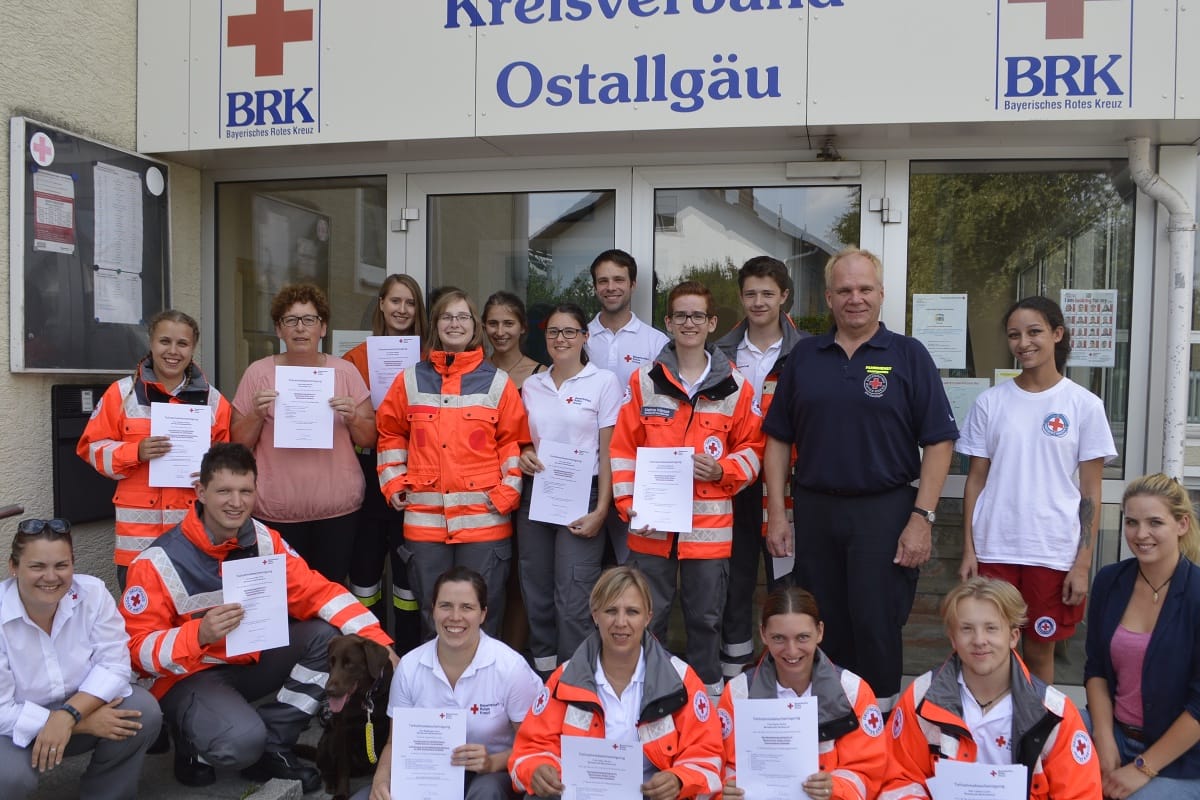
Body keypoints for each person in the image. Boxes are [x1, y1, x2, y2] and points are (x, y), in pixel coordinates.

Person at [120, 442, 393, 792]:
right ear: (200, 492)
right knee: (240, 744)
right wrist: (198, 634)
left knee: (327, 638)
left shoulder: (265, 539)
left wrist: (379, 642)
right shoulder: (156, 562)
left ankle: (275, 741)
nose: (236, 502)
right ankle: (191, 739)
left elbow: (318, 592)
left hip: (248, 662)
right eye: (224, 491)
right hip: (190, 676)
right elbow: (137, 651)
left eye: (245, 491)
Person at [762, 247, 957, 711]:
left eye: (865, 289)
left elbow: (939, 442)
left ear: (881, 294)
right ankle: (827, 721)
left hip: (884, 512)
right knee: (818, 621)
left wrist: (922, 517)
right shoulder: (804, 356)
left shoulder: (909, 355)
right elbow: (778, 440)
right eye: (845, 290)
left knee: (877, 623)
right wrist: (777, 514)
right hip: (816, 510)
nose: (856, 298)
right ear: (828, 297)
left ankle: (880, 727)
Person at [610, 280, 765, 698]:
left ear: (712, 323)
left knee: (705, 621)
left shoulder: (736, 386)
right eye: (681, 315)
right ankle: (648, 696)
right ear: (668, 322)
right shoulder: (644, 381)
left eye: (698, 315)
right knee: (647, 617)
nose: (689, 323)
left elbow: (754, 450)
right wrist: (628, 504)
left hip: (708, 531)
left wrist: (722, 469)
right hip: (651, 526)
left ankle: (705, 702)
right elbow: (622, 450)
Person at [958, 296, 1116, 684]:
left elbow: (1091, 492)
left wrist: (1082, 564)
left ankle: (1036, 723)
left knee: (1039, 650)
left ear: (1057, 334)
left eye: (1034, 332)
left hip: (1051, 550)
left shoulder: (1084, 405)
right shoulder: (991, 402)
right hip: (995, 547)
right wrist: (969, 549)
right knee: (989, 650)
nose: (1023, 343)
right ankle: (992, 721)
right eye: (1014, 335)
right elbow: (975, 480)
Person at [376, 289, 530, 639]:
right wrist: (394, 482)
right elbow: (390, 433)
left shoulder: (497, 383)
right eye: (447, 317)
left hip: (484, 521)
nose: (454, 324)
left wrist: (507, 493)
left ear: (475, 326)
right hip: (426, 523)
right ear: (435, 324)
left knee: (483, 616)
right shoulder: (409, 380)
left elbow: (512, 442)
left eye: (462, 317)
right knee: (435, 617)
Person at [509, 565, 724, 800]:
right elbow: (530, 748)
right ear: (595, 615)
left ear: (648, 617)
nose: (621, 622)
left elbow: (707, 755)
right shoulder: (565, 678)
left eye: (632, 612)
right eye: (611, 611)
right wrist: (538, 769)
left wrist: (679, 780)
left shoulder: (680, 680)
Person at [883, 577, 1101, 800]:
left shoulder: (1054, 712)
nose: (979, 640)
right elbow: (898, 779)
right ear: (953, 639)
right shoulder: (921, 698)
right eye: (967, 629)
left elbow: (1081, 793)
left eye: (991, 628)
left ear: (1013, 636)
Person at [0, 518, 162, 800]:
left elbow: (115, 666)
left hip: (77, 707)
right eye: (37, 566)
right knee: (9, 775)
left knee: (142, 711)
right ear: (13, 567)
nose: (51, 577)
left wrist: (68, 715)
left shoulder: (93, 593)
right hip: (12, 726)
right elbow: (2, 711)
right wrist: (78, 724)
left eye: (61, 565)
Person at [230, 283, 376, 583]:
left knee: (328, 594)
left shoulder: (344, 372)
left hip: (337, 514)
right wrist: (256, 414)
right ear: (278, 329)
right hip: (275, 513)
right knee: (283, 598)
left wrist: (352, 418)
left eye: (309, 319)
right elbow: (238, 444)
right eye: (290, 320)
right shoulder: (259, 373)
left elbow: (370, 438)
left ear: (323, 328)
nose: (300, 328)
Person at [355, 567, 542, 800]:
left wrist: (493, 761)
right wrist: (381, 779)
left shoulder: (511, 668)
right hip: (425, 774)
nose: (455, 616)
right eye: (445, 606)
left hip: (490, 774)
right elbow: (396, 743)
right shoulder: (410, 666)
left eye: (467, 607)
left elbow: (536, 746)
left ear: (483, 614)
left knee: (486, 792)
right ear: (432, 610)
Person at [77, 309, 231, 587]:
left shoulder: (214, 401)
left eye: (182, 343)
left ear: (193, 347)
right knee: (140, 613)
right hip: (138, 541)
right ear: (151, 343)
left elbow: (227, 463)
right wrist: (135, 452)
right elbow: (90, 449)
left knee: (195, 613)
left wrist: (212, 473)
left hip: (194, 537)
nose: (173, 351)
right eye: (165, 341)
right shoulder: (121, 394)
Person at [713, 255, 808, 681]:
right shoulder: (720, 352)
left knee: (785, 580)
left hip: (785, 485)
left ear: (784, 296)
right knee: (734, 580)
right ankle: (734, 674)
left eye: (768, 293)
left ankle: (784, 673)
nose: (758, 302)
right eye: (750, 293)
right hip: (733, 482)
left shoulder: (807, 352)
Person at [516, 302, 622, 676]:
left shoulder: (603, 382)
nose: (560, 339)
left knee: (574, 595)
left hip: (584, 496)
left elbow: (610, 452)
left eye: (569, 332)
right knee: (537, 591)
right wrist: (524, 453)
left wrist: (602, 510)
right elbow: (520, 439)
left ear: (584, 337)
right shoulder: (532, 385)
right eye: (553, 332)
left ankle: (575, 680)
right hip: (537, 494)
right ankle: (545, 676)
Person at [1084, 473, 1200, 799]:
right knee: (1046, 741)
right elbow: (1096, 669)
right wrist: (1104, 738)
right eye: (1132, 522)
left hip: (1182, 758)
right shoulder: (1110, 580)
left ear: (1182, 524)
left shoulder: (1196, 593)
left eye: (1155, 523)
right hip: (1116, 733)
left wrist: (1142, 768)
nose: (1140, 534)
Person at [719, 587, 887, 800]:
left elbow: (870, 772)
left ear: (820, 632)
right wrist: (728, 791)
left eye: (802, 637)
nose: (791, 650)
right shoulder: (738, 693)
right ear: (763, 634)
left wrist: (835, 788)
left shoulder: (853, 692)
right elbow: (720, 766)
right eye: (779, 638)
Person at [343, 274, 427, 652]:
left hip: (415, 472)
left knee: (409, 578)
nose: (402, 310)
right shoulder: (355, 359)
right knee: (364, 574)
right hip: (366, 471)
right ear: (381, 304)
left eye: (409, 303)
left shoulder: (429, 359)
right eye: (395, 301)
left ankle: (408, 656)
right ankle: (370, 657)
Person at [584, 249, 670, 565]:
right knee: (585, 561)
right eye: (603, 281)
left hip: (635, 465)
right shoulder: (580, 338)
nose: (611, 287)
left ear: (633, 284)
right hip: (587, 465)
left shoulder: (656, 342)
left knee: (633, 561)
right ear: (595, 286)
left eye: (619, 279)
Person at [484, 291, 546, 391]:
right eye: (493, 323)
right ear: (484, 326)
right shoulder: (475, 371)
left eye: (508, 324)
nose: (500, 332)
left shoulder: (541, 375)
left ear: (522, 327)